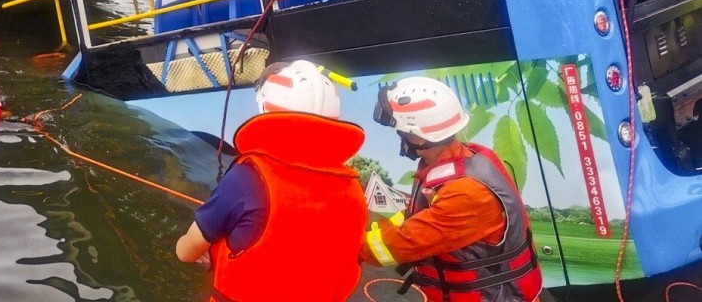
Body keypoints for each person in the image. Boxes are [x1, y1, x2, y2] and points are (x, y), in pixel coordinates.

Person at [175, 60, 368, 302]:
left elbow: (186, 252)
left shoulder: (247, 177)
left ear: (266, 106)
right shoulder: (353, 188)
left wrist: (201, 249)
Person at [360, 76, 543, 302]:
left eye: (401, 131)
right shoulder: (459, 160)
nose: (400, 137)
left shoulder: (467, 194)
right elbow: (416, 219)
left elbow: (405, 242)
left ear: (417, 136)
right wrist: (367, 227)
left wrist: (349, 247)